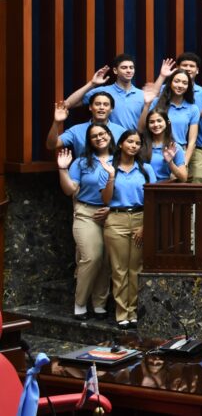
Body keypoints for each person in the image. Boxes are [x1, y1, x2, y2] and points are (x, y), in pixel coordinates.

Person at [55, 127, 115, 321]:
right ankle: (80, 303)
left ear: (109, 136)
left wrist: (112, 209)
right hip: (86, 213)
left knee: (106, 261)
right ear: (89, 141)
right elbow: (69, 189)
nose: (99, 138)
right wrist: (62, 168)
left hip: (112, 214)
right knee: (92, 257)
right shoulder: (81, 162)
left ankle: (99, 304)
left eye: (102, 134)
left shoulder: (121, 159)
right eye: (94, 136)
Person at [101, 129, 156, 328]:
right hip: (116, 218)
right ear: (120, 144)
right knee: (119, 269)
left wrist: (145, 226)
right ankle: (121, 312)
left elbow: (152, 200)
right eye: (129, 142)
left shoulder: (146, 169)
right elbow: (105, 199)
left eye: (137, 143)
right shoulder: (108, 167)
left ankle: (133, 311)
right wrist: (110, 177)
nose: (133, 146)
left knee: (136, 269)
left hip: (141, 217)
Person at [65, 55, 146, 131]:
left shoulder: (142, 95)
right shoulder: (102, 92)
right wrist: (92, 83)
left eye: (131, 68)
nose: (129, 71)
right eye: (124, 68)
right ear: (115, 70)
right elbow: (68, 104)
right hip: (108, 142)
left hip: (133, 143)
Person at [143, 69, 200, 164]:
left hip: (179, 152)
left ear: (188, 86)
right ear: (170, 83)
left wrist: (184, 163)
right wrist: (147, 105)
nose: (180, 85)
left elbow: (192, 141)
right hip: (155, 151)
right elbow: (142, 127)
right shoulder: (156, 103)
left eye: (184, 83)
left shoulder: (193, 108)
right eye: (176, 81)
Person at [47, 93, 126, 157]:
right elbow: (51, 145)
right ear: (90, 107)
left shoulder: (121, 131)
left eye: (105, 104)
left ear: (111, 109)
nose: (101, 107)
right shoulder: (76, 130)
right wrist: (56, 122)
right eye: (97, 104)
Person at [140, 110, 188, 181]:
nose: (156, 124)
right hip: (143, 188)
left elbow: (184, 178)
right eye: (152, 122)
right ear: (147, 125)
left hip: (164, 188)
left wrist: (170, 163)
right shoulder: (141, 146)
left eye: (159, 121)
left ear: (167, 122)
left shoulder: (174, 147)